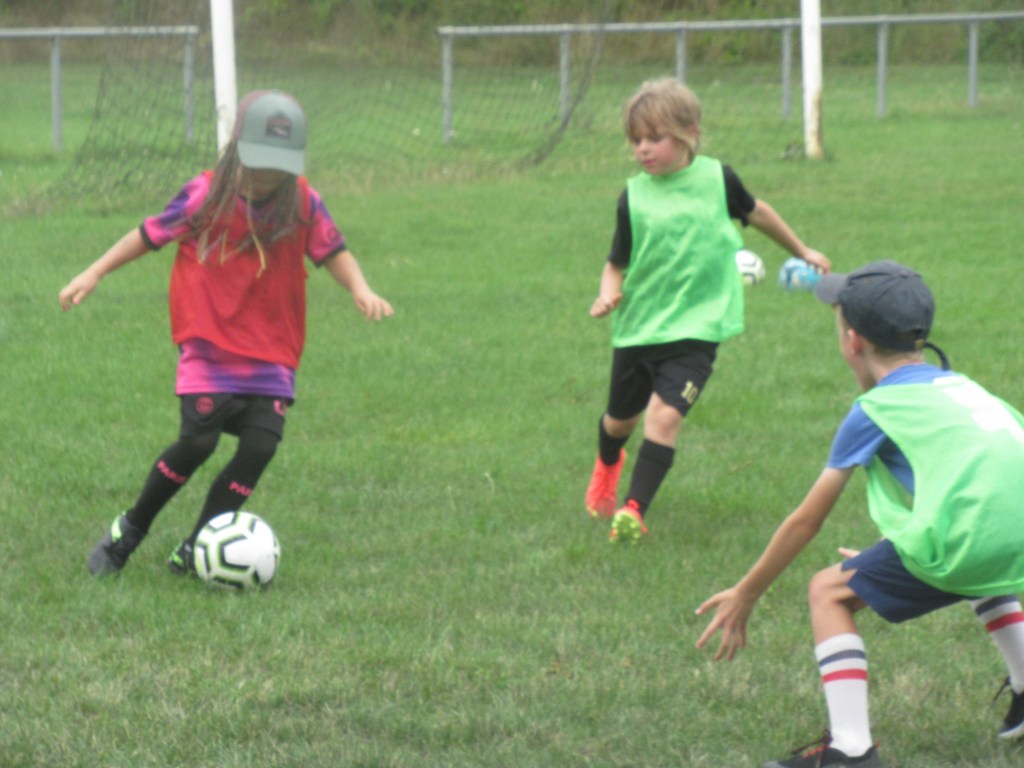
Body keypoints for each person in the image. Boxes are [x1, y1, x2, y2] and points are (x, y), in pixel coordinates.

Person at [696, 260, 1024, 767]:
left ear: (852, 341)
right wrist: (894, 551)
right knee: (983, 556)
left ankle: (850, 749)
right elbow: (985, 490)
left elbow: (807, 521)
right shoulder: (960, 386)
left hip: (974, 538)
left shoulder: (874, 409)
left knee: (828, 591)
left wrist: (747, 592)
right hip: (1013, 535)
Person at [59, 90, 393, 577]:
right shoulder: (205, 195)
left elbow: (333, 251)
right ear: (236, 147)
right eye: (258, 165)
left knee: (260, 447)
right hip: (209, 344)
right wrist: (94, 272)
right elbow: (148, 235)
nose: (266, 177)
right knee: (197, 443)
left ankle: (196, 547)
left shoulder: (303, 201)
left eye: (277, 168)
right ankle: (127, 532)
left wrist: (360, 288)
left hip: (272, 350)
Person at [585, 77, 830, 544]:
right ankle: (607, 464)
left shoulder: (719, 180)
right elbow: (616, 263)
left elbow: (758, 213)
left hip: (698, 329)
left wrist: (802, 250)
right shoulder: (633, 198)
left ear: (689, 133)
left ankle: (633, 511)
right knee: (620, 422)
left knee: (664, 417)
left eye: (654, 138)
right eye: (636, 140)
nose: (643, 149)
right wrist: (607, 294)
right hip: (640, 327)